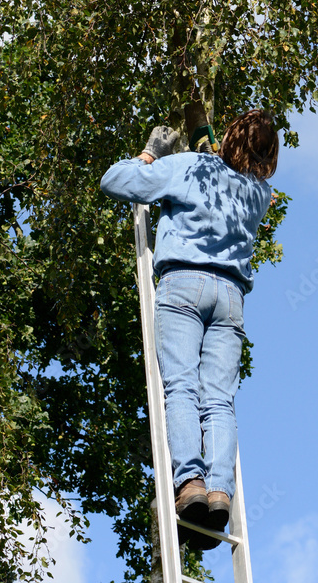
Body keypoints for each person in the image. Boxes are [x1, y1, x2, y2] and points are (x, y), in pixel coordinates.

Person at [100, 109, 278, 548]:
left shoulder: (193, 168)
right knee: (219, 400)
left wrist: (150, 154)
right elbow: (226, 173)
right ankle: (219, 492)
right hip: (231, 299)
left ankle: (190, 485)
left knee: (181, 387)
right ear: (268, 154)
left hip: (184, 285)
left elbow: (113, 181)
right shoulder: (260, 194)